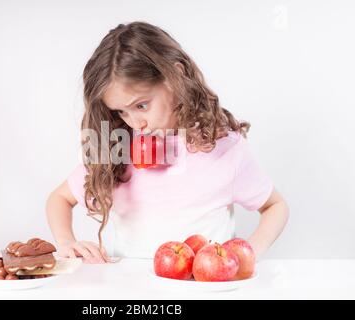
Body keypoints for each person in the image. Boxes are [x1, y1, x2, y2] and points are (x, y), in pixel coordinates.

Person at [46, 21, 289, 263]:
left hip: (199, 288)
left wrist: (250, 252)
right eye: (121, 112)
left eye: (141, 105)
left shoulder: (224, 148)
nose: (135, 123)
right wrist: (67, 242)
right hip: (129, 289)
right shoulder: (117, 148)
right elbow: (59, 199)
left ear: (176, 76)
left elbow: (275, 206)